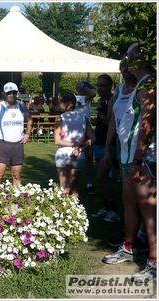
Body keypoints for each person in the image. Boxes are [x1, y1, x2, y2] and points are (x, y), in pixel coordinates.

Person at [102, 42, 156, 283]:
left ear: (142, 59)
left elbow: (147, 125)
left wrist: (138, 159)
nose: (127, 60)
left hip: (143, 157)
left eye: (131, 56)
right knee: (129, 200)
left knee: (149, 206)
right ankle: (129, 246)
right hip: (127, 155)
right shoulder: (138, 86)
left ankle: (154, 261)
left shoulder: (150, 84)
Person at [102, 56, 148, 250]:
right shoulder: (119, 91)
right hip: (123, 150)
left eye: (128, 66)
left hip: (141, 150)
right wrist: (107, 149)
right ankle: (131, 237)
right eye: (122, 67)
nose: (125, 69)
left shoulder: (144, 89)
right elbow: (113, 121)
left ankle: (142, 236)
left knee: (144, 199)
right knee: (128, 197)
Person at [0, 82, 33, 187]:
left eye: (14, 93)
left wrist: (28, 133)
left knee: (17, 175)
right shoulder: (0, 107)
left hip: (18, 145)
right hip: (3, 144)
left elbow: (30, 120)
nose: (11, 95)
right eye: (9, 93)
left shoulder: (21, 106)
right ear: (4, 94)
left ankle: (16, 200)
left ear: (17, 93)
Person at [89, 74, 121, 222]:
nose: (100, 88)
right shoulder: (102, 100)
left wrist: (100, 110)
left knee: (102, 176)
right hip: (99, 143)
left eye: (103, 85)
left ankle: (113, 211)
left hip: (109, 145)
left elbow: (109, 121)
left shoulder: (111, 100)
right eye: (98, 85)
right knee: (101, 179)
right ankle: (106, 207)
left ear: (110, 86)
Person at [53, 92, 95, 199]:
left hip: (62, 154)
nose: (59, 104)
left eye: (60, 102)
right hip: (78, 154)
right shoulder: (83, 118)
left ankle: (64, 213)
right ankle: (76, 211)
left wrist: (73, 144)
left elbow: (57, 141)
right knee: (74, 187)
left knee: (64, 188)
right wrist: (80, 147)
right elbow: (93, 138)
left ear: (66, 104)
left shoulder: (60, 118)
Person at [75, 81, 96, 196]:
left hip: (86, 132)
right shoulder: (78, 98)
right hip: (77, 132)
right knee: (76, 158)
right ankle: (73, 184)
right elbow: (93, 94)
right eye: (87, 89)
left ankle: (89, 183)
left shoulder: (85, 101)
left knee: (89, 157)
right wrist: (83, 87)